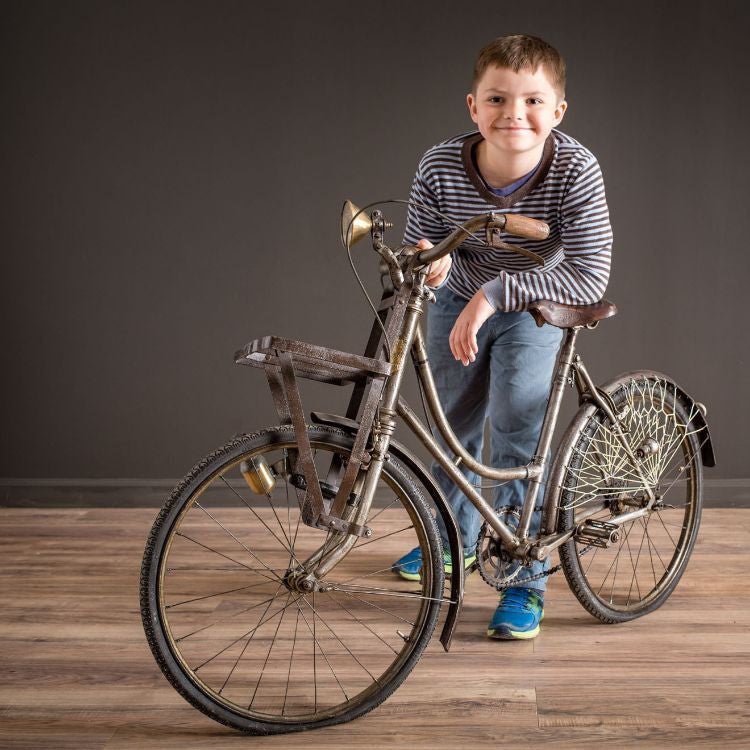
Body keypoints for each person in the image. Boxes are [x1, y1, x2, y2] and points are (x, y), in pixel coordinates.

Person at [393, 34, 613, 640]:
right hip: (460, 297)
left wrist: (493, 297)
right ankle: (456, 539)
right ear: (473, 106)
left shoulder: (574, 167)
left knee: (518, 428)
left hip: (540, 304)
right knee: (449, 421)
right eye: (497, 98)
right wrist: (428, 259)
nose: (514, 114)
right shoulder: (439, 164)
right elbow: (425, 237)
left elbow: (589, 272)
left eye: (533, 101)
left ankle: (525, 575)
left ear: (558, 112)